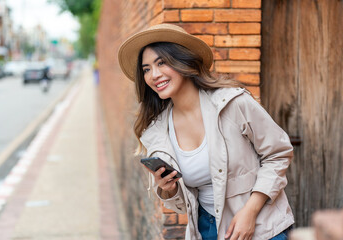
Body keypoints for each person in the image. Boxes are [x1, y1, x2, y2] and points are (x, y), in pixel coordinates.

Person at [118, 24, 294, 240]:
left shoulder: (232, 103)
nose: (154, 75)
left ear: (182, 61)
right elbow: (182, 205)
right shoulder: (158, 131)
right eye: (146, 69)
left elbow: (278, 153)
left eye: (161, 63)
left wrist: (250, 211)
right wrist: (168, 190)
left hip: (261, 225)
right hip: (207, 228)